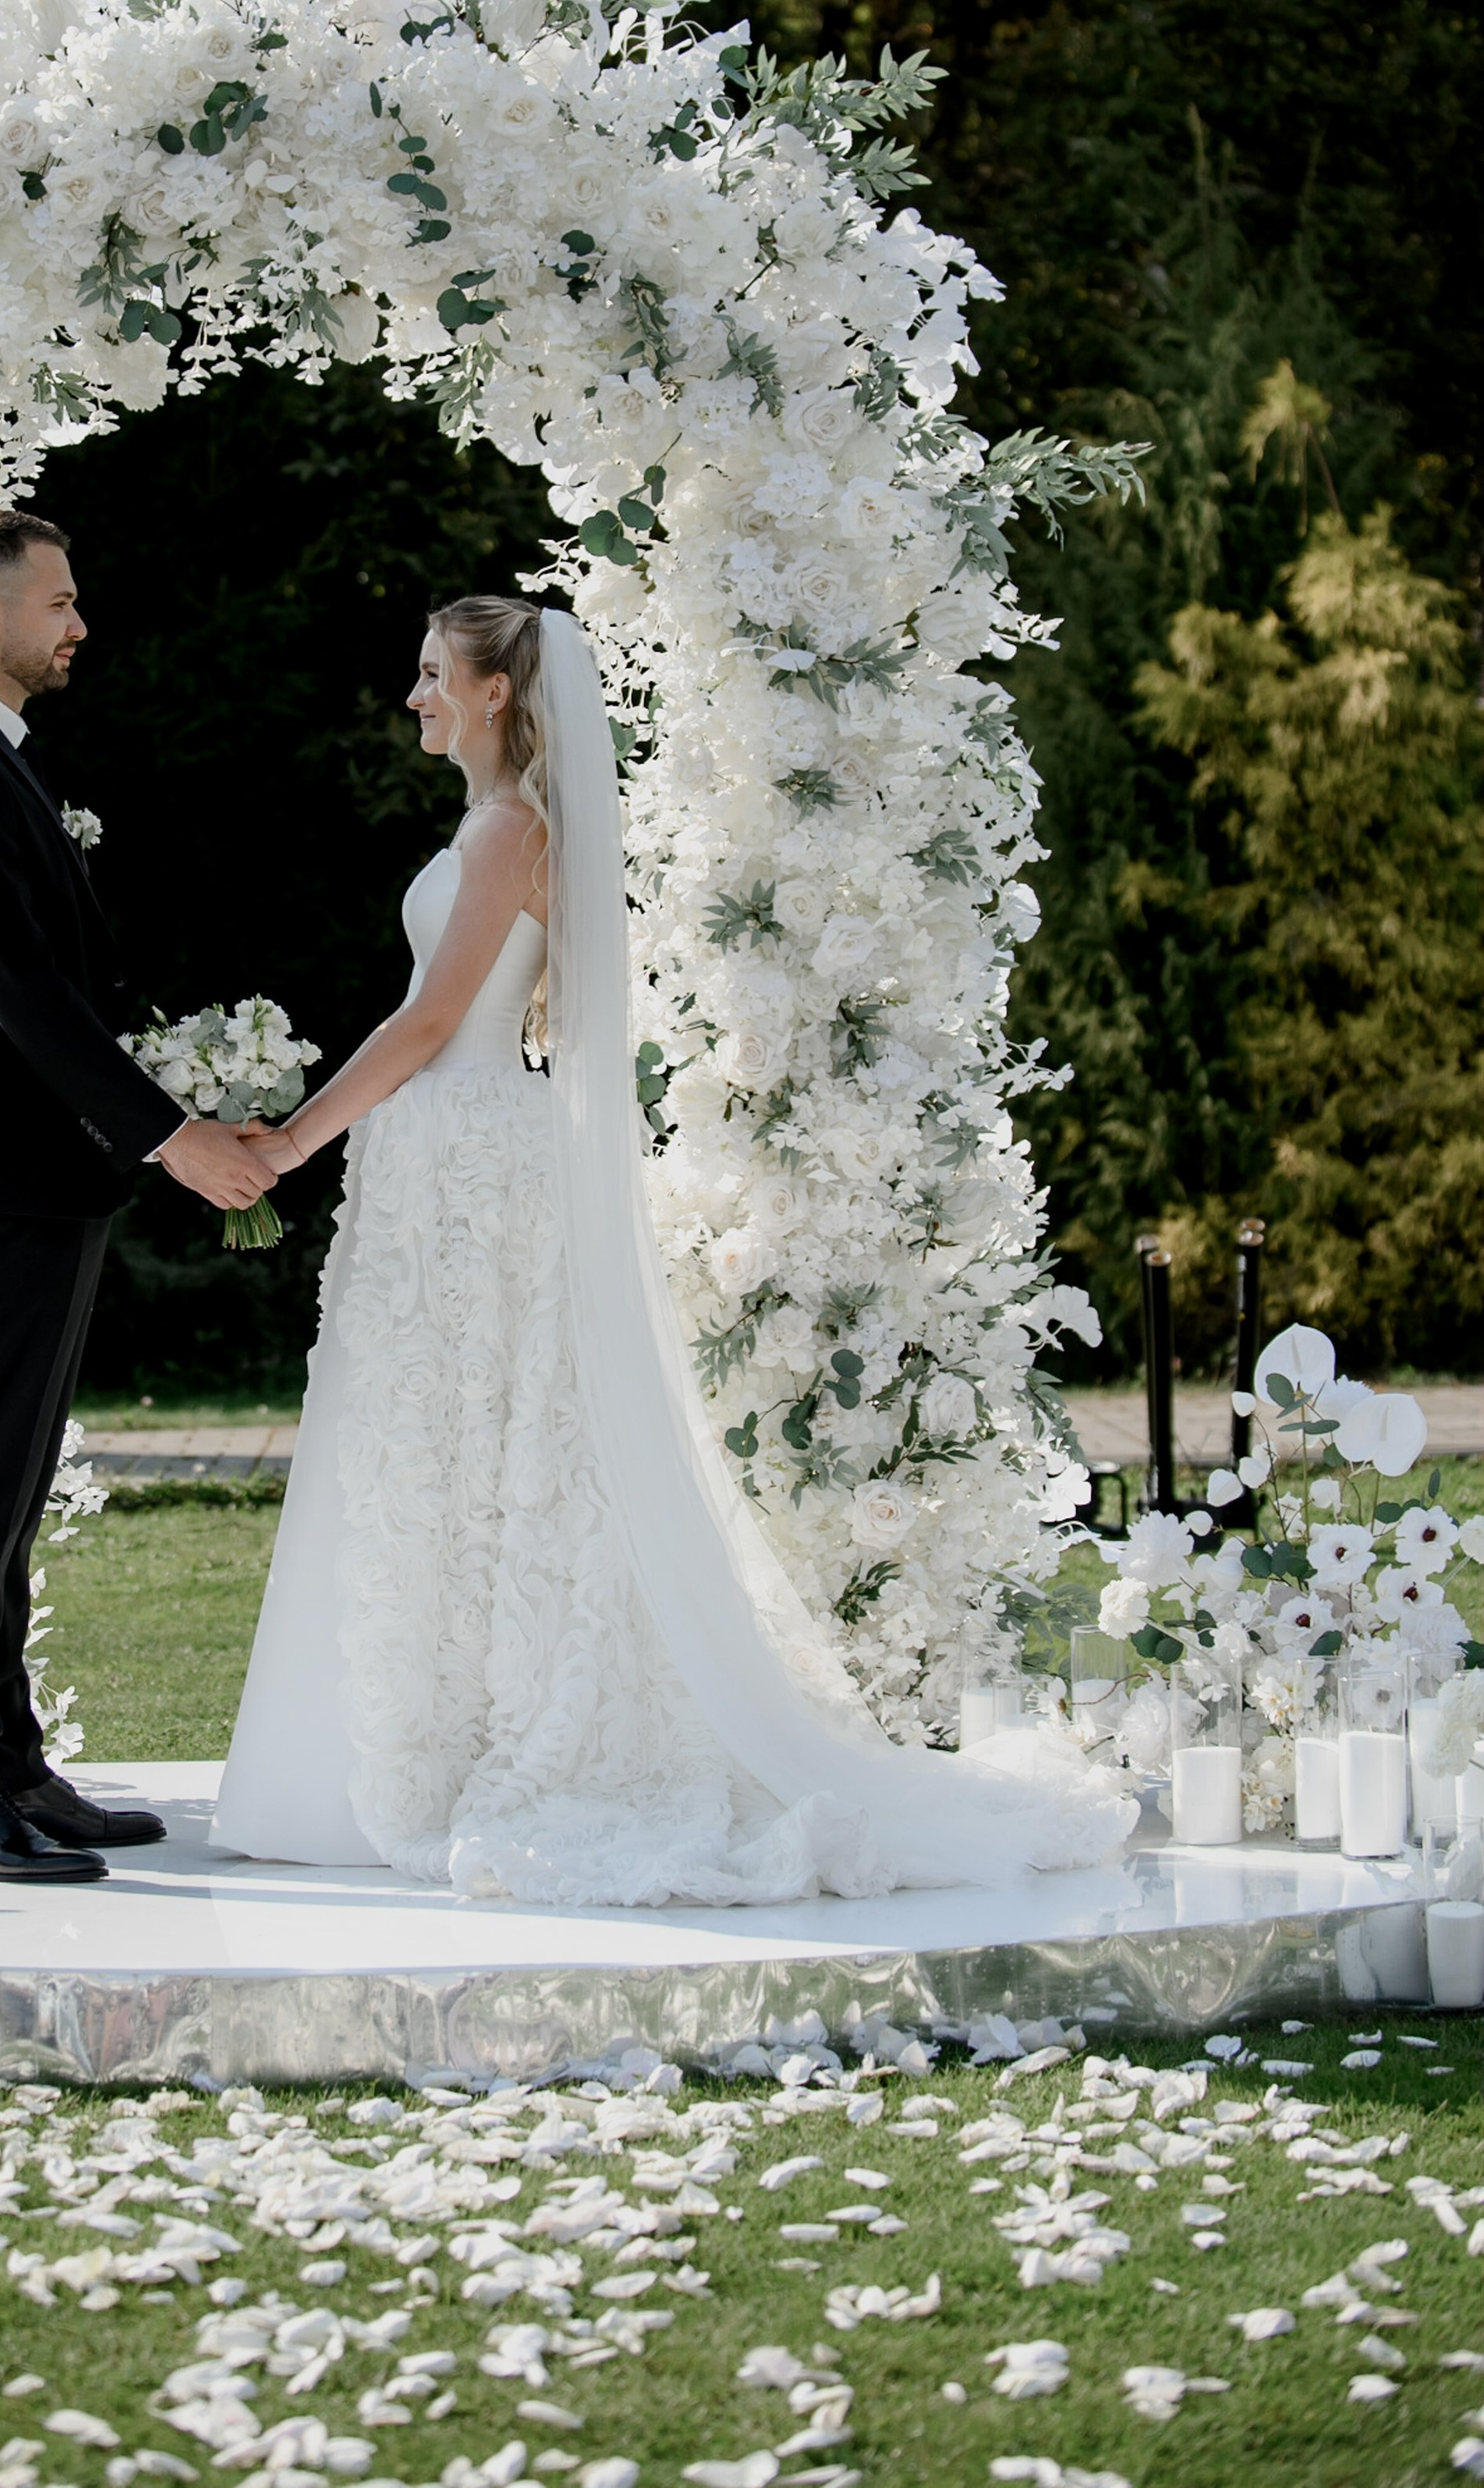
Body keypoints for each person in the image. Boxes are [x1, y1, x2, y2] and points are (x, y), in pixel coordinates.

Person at [209, 595, 1128, 1905]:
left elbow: (426, 1025)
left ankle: (445, 1747)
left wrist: (289, 1140)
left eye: (429, 675)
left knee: (468, 1446)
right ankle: (410, 1732)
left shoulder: (509, 828)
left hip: (465, 1153)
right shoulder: (505, 829)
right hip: (455, 1161)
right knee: (447, 1450)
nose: (411, 695)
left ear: (492, 696)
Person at [0, 508, 277, 1884]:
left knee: (18, 1472)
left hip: (50, 1163)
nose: (78, 623)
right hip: (6, 1161)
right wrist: (171, 1135)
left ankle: (11, 1761)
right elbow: (18, 992)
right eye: (60, 600)